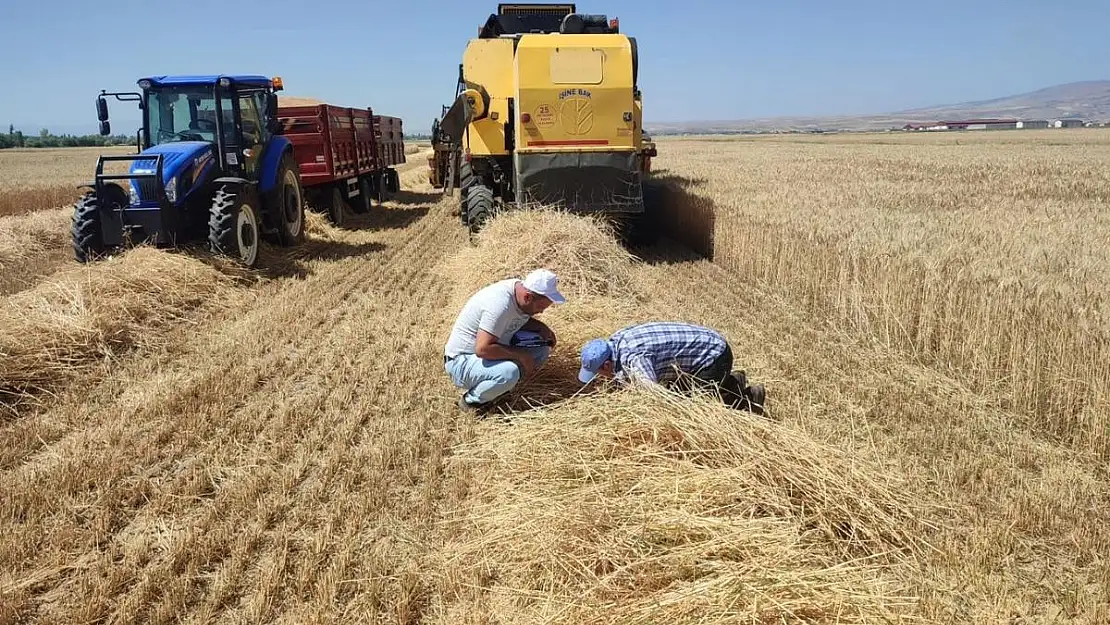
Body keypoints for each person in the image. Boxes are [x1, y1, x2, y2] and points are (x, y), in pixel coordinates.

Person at [577, 321, 766, 414]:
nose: (600, 377)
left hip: (713, 356)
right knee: (680, 388)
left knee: (695, 407)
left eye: (599, 373)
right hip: (709, 345)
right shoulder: (616, 340)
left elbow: (656, 396)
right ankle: (732, 381)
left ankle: (748, 399)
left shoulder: (635, 359)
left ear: (607, 364)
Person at [444, 268, 566, 413]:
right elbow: (482, 349)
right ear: (528, 297)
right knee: (509, 372)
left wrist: (541, 328)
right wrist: (521, 355)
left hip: (488, 351)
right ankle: (471, 401)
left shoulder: (519, 294)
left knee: (540, 350)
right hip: (461, 361)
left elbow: (512, 320)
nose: (541, 311)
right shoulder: (499, 305)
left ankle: (501, 388)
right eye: (541, 307)